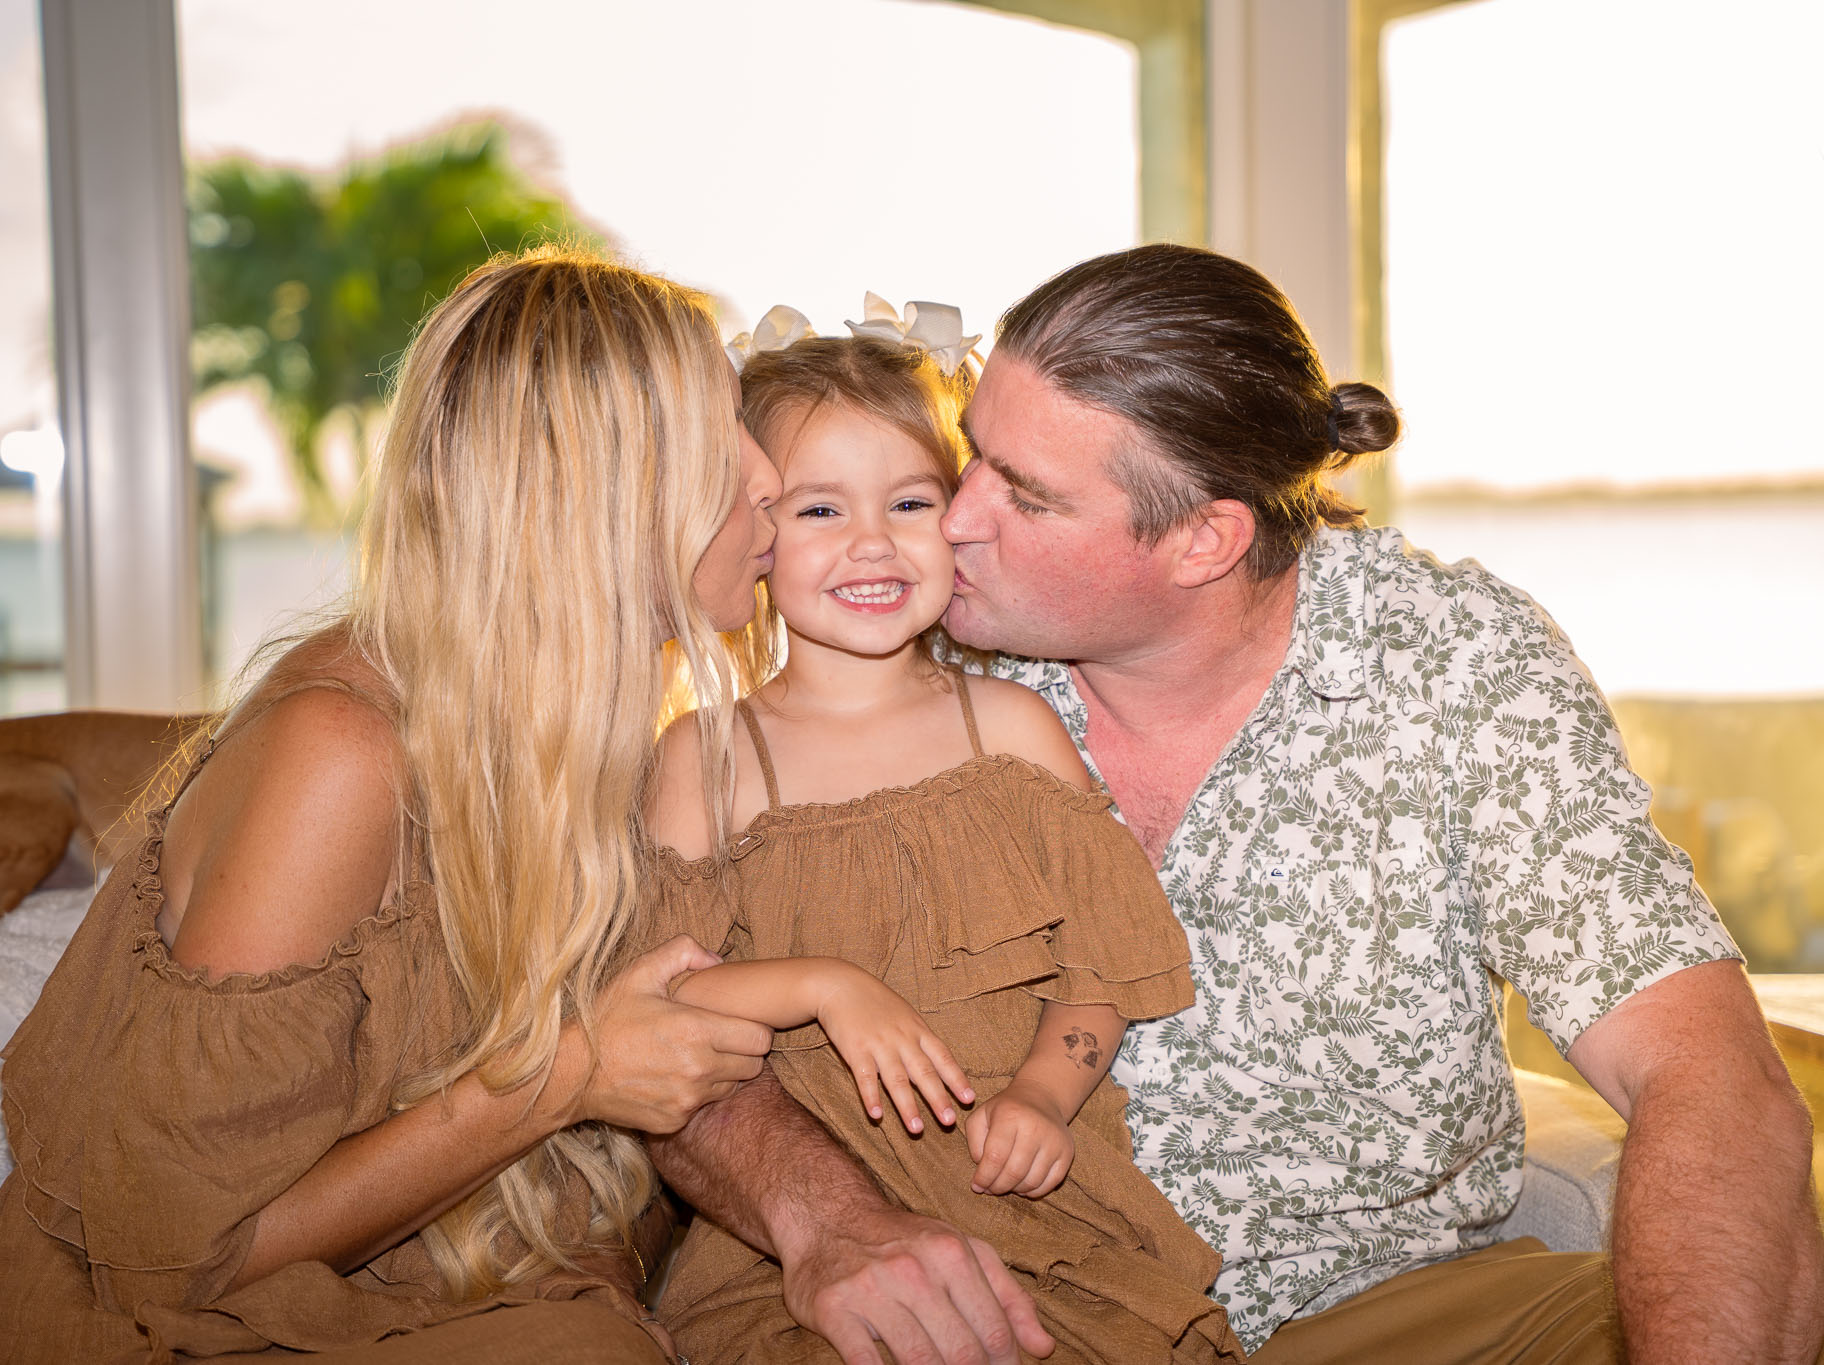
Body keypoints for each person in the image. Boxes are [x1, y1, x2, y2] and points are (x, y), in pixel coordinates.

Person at [649, 245, 1824, 1365]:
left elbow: (1699, 1074)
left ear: (1205, 540)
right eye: (970, 455)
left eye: (1024, 495)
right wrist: (826, 1221)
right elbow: (658, 1021)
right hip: (1012, 1295)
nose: (950, 519)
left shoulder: (1449, 664)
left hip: (1385, 1306)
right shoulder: (902, 653)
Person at [0, 246, 786, 1363]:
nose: (766, 477)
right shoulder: (340, 754)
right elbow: (174, 1261)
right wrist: (565, 1076)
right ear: (592, 490)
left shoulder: (580, 748)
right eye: (723, 437)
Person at [641, 325, 1242, 1363]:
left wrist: (1045, 1096)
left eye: (908, 503)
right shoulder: (706, 758)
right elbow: (654, 1001)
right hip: (804, 1229)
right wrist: (826, 985)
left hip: (1032, 1213)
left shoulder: (1007, 729)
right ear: (750, 528)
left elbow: (1101, 962)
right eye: (819, 508)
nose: (869, 543)